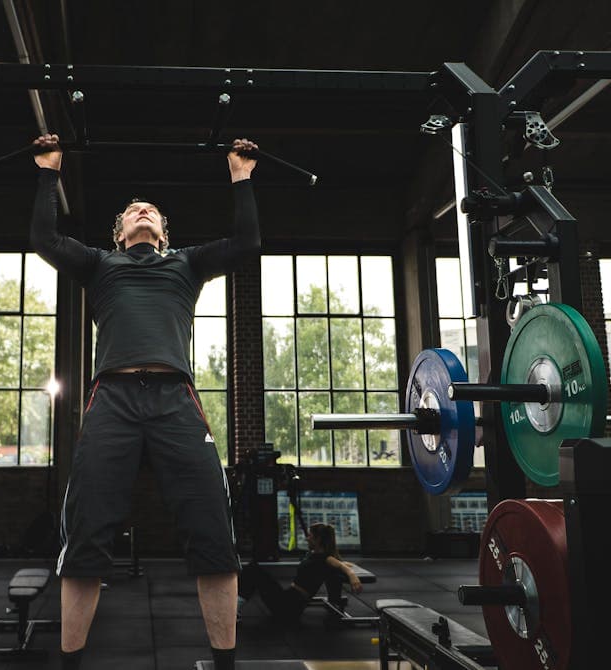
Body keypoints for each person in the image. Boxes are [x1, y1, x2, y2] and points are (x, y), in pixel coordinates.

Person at [29, 133, 261, 670]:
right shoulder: (99, 265)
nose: (143, 211)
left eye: (151, 211)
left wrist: (241, 177)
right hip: (111, 399)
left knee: (212, 530)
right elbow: (43, 237)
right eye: (134, 210)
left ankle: (224, 664)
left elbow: (247, 243)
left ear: (162, 232)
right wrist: (48, 171)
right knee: (86, 532)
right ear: (119, 233)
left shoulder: (186, 263)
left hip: (176, 400)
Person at [236, 523, 363, 624]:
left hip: (289, 607)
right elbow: (340, 563)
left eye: (310, 536)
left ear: (318, 539)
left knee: (253, 571)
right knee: (253, 569)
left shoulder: (325, 558)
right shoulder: (316, 555)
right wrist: (345, 564)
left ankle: (234, 609)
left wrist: (352, 575)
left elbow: (340, 565)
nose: (307, 538)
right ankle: (235, 607)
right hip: (288, 599)